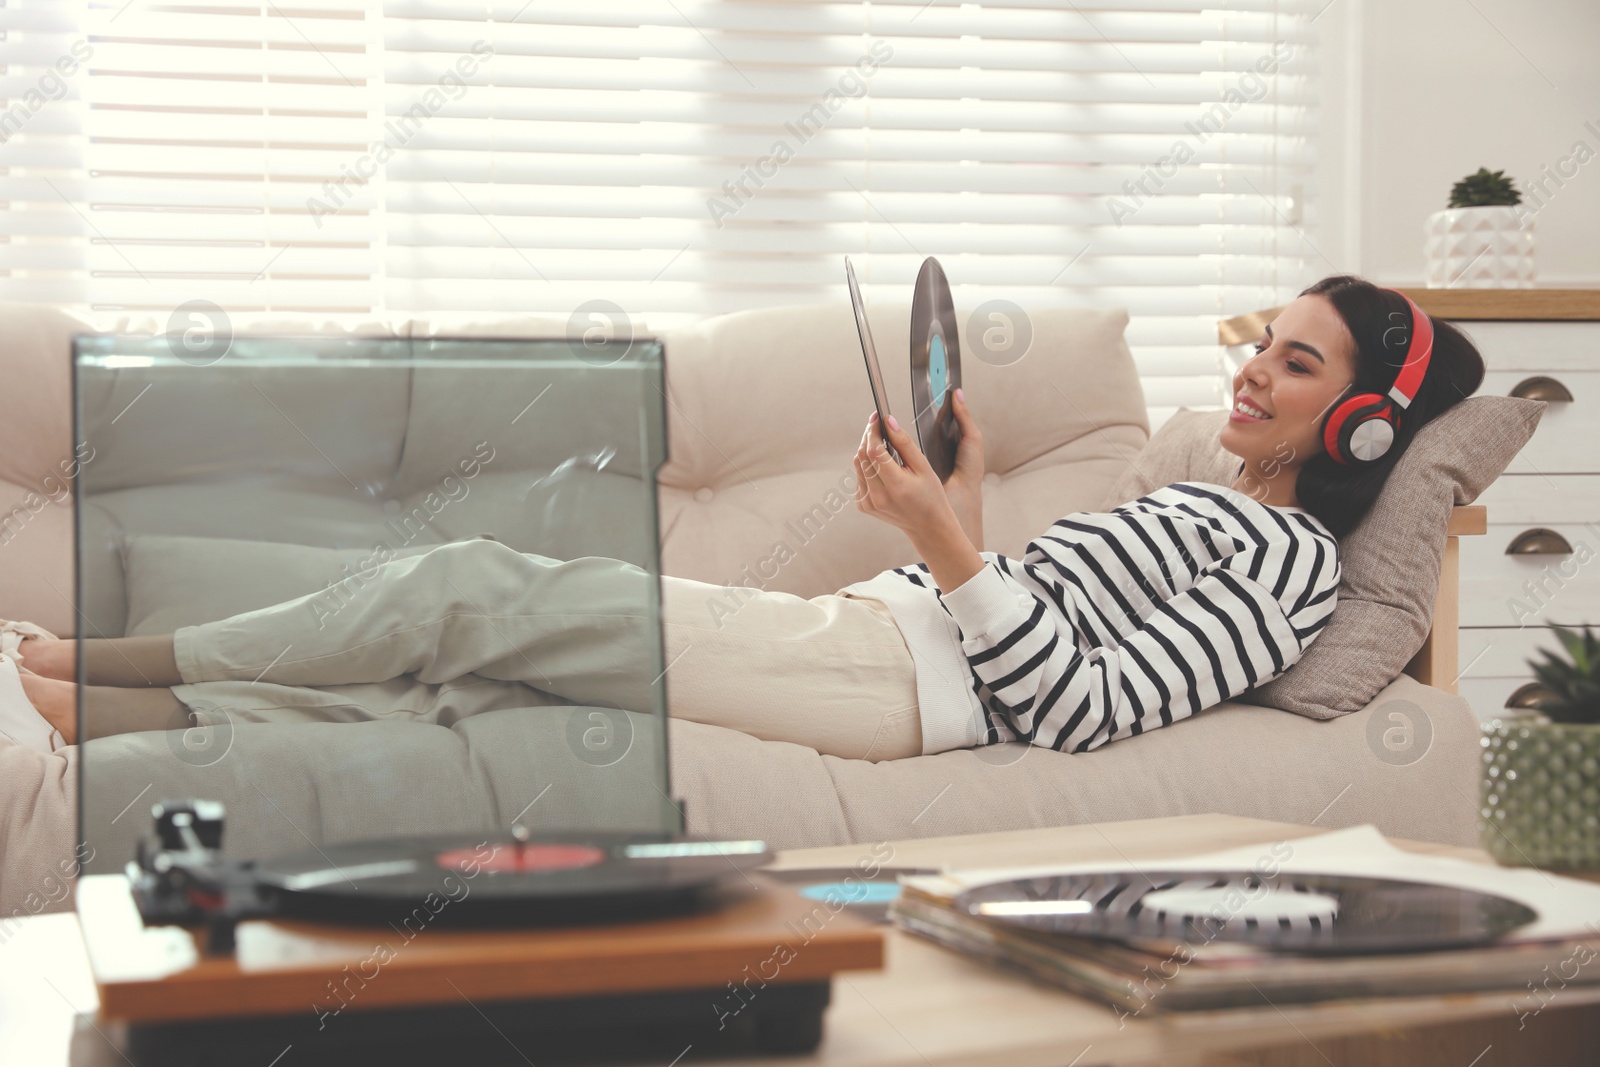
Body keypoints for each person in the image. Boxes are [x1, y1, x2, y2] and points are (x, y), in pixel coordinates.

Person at [2, 274, 1486, 764]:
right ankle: (104, 721)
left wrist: (947, 544)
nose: (1253, 372)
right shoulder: (1196, 499)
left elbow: (1077, 705)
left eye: (1296, 364)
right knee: (479, 683)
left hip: (893, 691)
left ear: (1367, 421)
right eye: (1260, 343)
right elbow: (1021, 598)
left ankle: (89, 667)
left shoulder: (1285, 570)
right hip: (870, 638)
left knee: (475, 580)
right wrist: (947, 492)